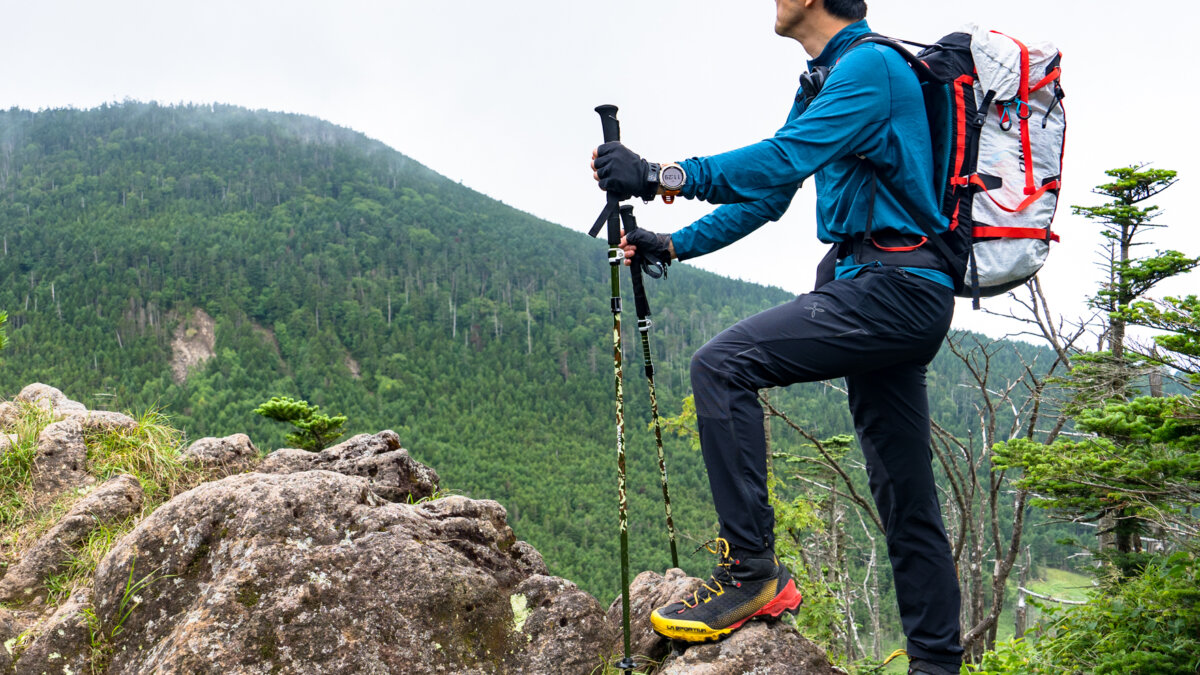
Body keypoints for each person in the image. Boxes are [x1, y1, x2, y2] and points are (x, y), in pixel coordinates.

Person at [589, 1, 964, 673]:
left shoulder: (870, 67)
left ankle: (750, 571)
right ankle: (937, 666)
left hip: (889, 288)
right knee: (905, 496)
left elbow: (781, 158)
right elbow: (769, 196)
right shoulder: (827, 78)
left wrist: (660, 175)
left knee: (722, 365)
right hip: (891, 287)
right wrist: (671, 244)